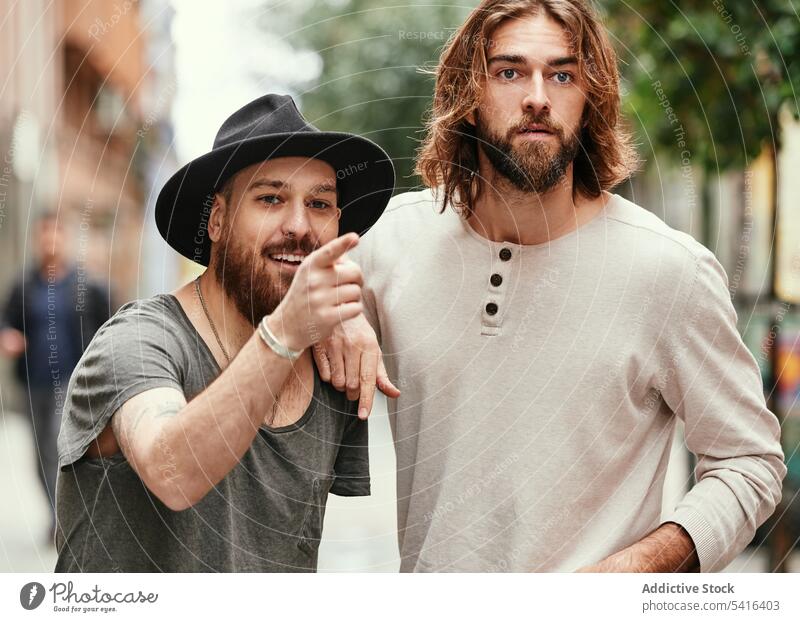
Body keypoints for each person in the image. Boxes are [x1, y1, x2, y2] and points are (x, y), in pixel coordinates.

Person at [316, 0, 786, 572]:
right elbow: (280, 311)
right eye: (509, 72)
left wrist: (634, 572)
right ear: (468, 95)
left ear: (590, 101)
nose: (537, 96)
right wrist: (334, 308)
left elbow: (750, 462)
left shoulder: (669, 272)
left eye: (562, 75)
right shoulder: (388, 239)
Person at [54, 93, 396, 571]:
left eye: (319, 203)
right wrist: (285, 335)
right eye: (270, 198)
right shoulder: (138, 341)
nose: (299, 225)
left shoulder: (330, 361)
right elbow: (171, 472)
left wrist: (341, 320)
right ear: (217, 219)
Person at [1, 212, 109, 539]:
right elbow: (6, 322)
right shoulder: (24, 285)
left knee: (61, 449)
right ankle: (57, 513)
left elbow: (109, 327)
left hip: (73, 383)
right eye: (44, 235)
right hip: (35, 384)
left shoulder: (87, 286)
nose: (50, 241)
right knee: (40, 457)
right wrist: (8, 336)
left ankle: (67, 519)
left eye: (56, 235)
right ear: (37, 240)